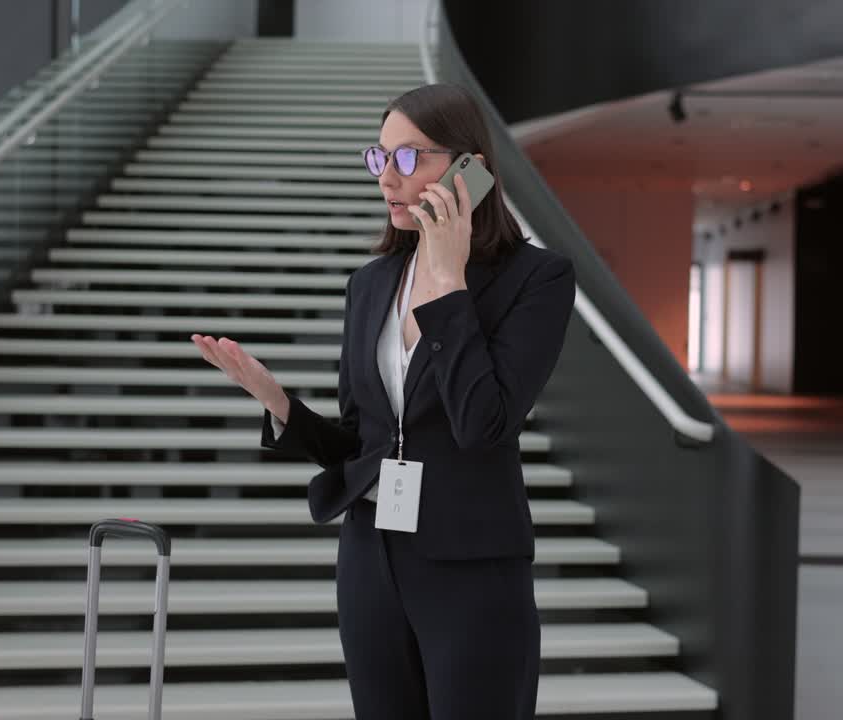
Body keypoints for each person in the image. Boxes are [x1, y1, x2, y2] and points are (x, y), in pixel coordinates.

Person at [191, 82, 576, 720]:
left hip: (471, 566)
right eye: (380, 157)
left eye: (408, 158)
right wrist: (278, 402)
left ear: (470, 169)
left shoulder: (537, 279)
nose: (386, 178)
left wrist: (448, 281)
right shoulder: (371, 284)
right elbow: (361, 442)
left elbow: (483, 424)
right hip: (370, 561)